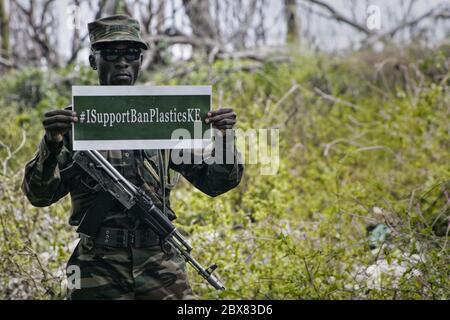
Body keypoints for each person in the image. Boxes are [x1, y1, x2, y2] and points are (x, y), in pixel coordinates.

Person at [22, 15, 243, 300]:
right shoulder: (74, 124)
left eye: (131, 53)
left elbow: (216, 183)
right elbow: (39, 195)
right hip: (97, 265)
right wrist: (52, 142)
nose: (122, 61)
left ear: (140, 61)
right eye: (111, 53)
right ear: (93, 62)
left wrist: (224, 136)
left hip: (159, 261)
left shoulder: (163, 118)